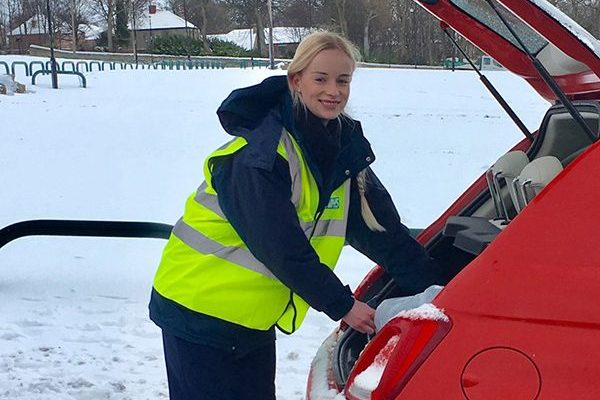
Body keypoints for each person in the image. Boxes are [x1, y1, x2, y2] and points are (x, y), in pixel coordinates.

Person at [149, 31, 442, 400]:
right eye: (320, 79)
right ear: (296, 81)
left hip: (251, 320)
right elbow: (280, 248)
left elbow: (383, 235)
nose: (333, 90)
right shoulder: (258, 155)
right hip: (198, 311)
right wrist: (344, 306)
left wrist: (442, 289)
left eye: (343, 80)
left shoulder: (341, 150)